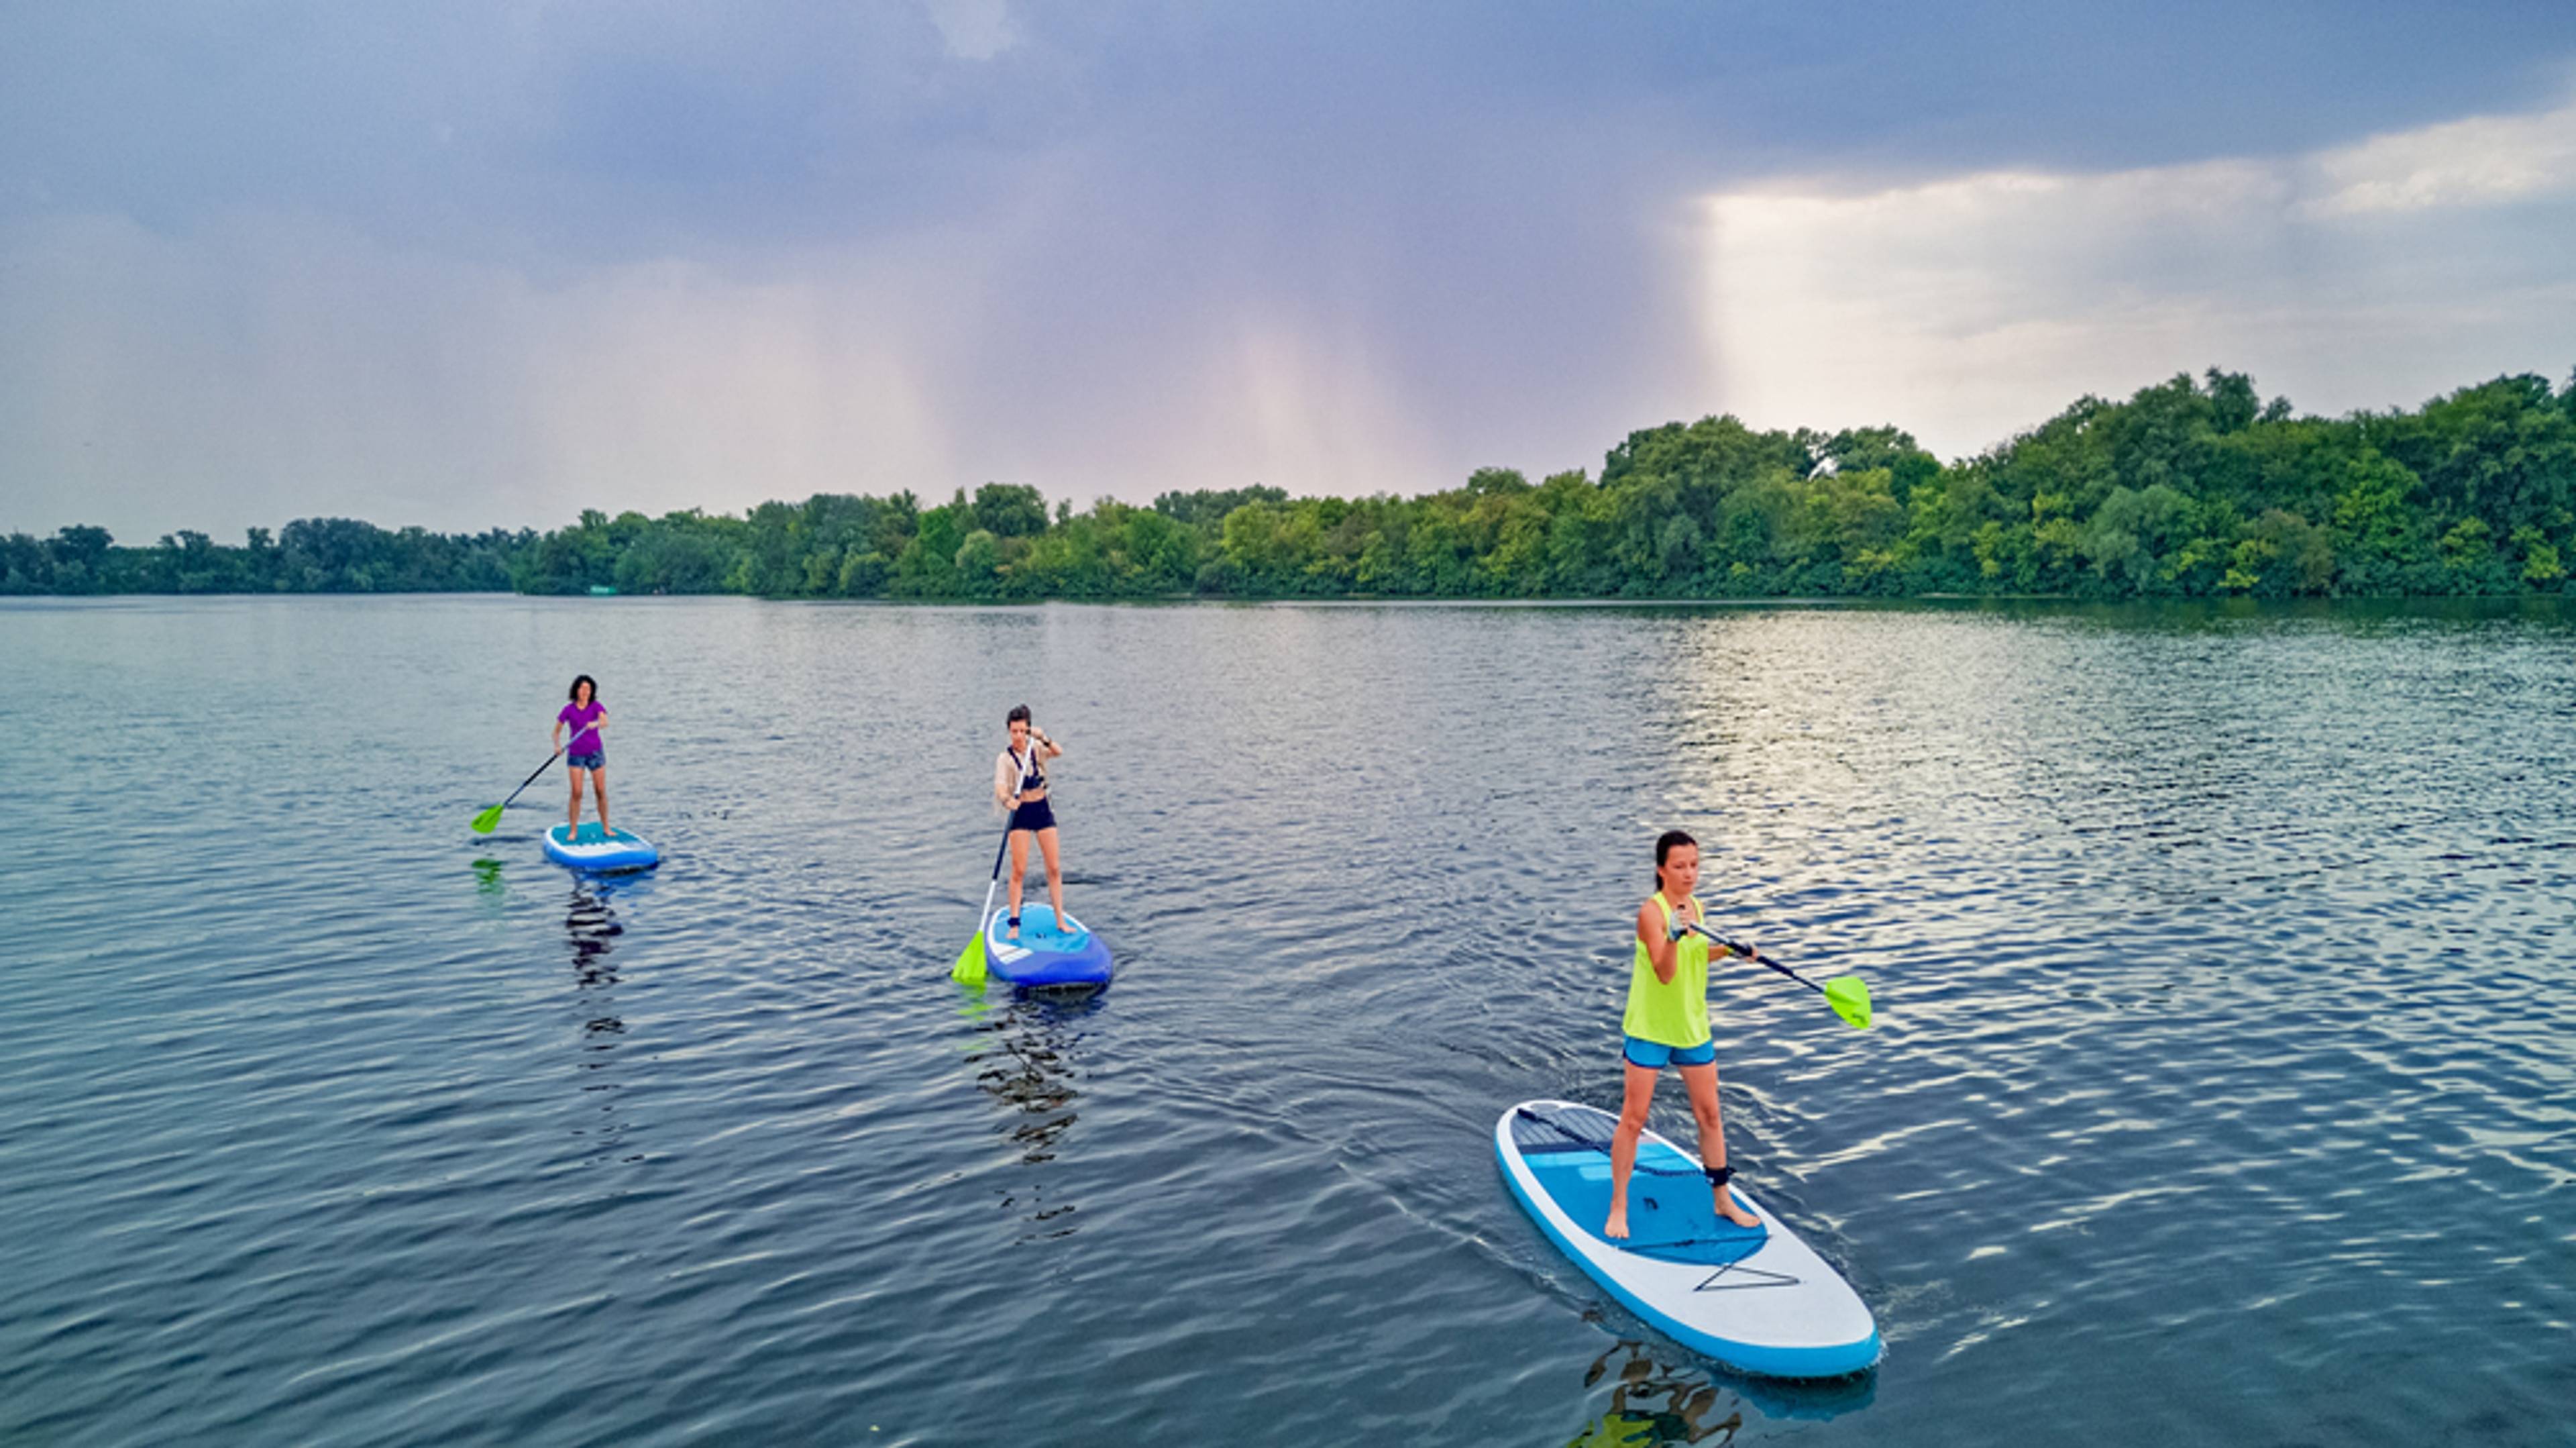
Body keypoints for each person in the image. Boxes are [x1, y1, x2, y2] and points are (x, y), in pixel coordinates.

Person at [1605, 829, 1761, 1239]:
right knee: (1634, 1119)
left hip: (1692, 1026)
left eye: (1694, 865)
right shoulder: (1651, 913)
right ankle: (1619, 1205)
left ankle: (1722, 1199)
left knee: (1710, 1115)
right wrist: (1673, 934)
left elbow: (1695, 958)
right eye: (1680, 866)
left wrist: (1729, 951)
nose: (1689, 874)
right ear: (1661, 870)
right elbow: (1665, 969)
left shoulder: (1696, 906)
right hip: (1651, 1028)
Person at [991, 705, 1066, 941]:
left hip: (1042, 809)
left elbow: (1058, 752)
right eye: (1014, 731)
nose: (1018, 737)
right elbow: (1000, 787)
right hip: (1021, 813)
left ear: (1028, 730)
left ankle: (1060, 921)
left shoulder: (1036, 749)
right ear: (1009, 732)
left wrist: (1042, 736)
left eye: (1022, 731)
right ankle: (1015, 923)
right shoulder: (1005, 759)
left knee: (1053, 868)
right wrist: (1006, 800)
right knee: (1019, 870)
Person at [554, 675, 610, 839]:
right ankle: (573, 830)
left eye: (588, 689)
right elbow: (556, 731)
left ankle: (606, 827)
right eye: (582, 688)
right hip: (576, 755)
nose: (585, 692)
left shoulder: (596, 706)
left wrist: (596, 724)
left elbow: (605, 722)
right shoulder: (568, 710)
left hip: (595, 753)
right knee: (577, 792)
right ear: (576, 690)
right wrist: (557, 746)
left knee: (600, 790)